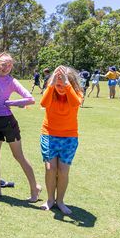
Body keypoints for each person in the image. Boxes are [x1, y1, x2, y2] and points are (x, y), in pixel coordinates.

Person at [0, 53, 42, 202]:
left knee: (19, 156)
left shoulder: (12, 81)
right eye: (4, 64)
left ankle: (35, 188)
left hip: (8, 123)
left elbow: (30, 99)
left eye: (10, 65)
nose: (7, 68)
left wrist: (11, 103)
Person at [39, 66, 83, 215]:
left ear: (71, 83)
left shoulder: (76, 92)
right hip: (49, 135)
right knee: (50, 169)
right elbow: (43, 104)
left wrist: (67, 84)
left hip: (69, 137)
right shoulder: (50, 91)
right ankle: (50, 200)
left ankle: (60, 201)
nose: (61, 87)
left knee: (63, 171)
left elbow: (75, 104)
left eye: (64, 84)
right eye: (58, 84)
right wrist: (51, 86)